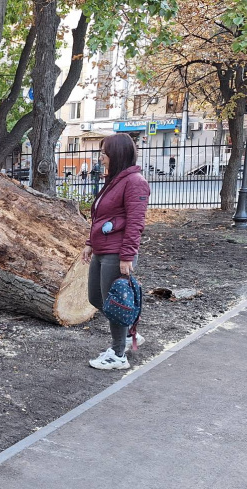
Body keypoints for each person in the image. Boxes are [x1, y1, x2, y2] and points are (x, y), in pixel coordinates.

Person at [81, 133, 150, 370]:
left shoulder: (135, 182)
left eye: (104, 153)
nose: (100, 158)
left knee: (116, 302)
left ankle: (118, 354)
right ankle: (129, 332)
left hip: (118, 252)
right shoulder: (115, 180)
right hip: (103, 249)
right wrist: (90, 243)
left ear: (117, 154)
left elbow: (135, 222)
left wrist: (127, 256)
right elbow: (101, 216)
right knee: (97, 298)